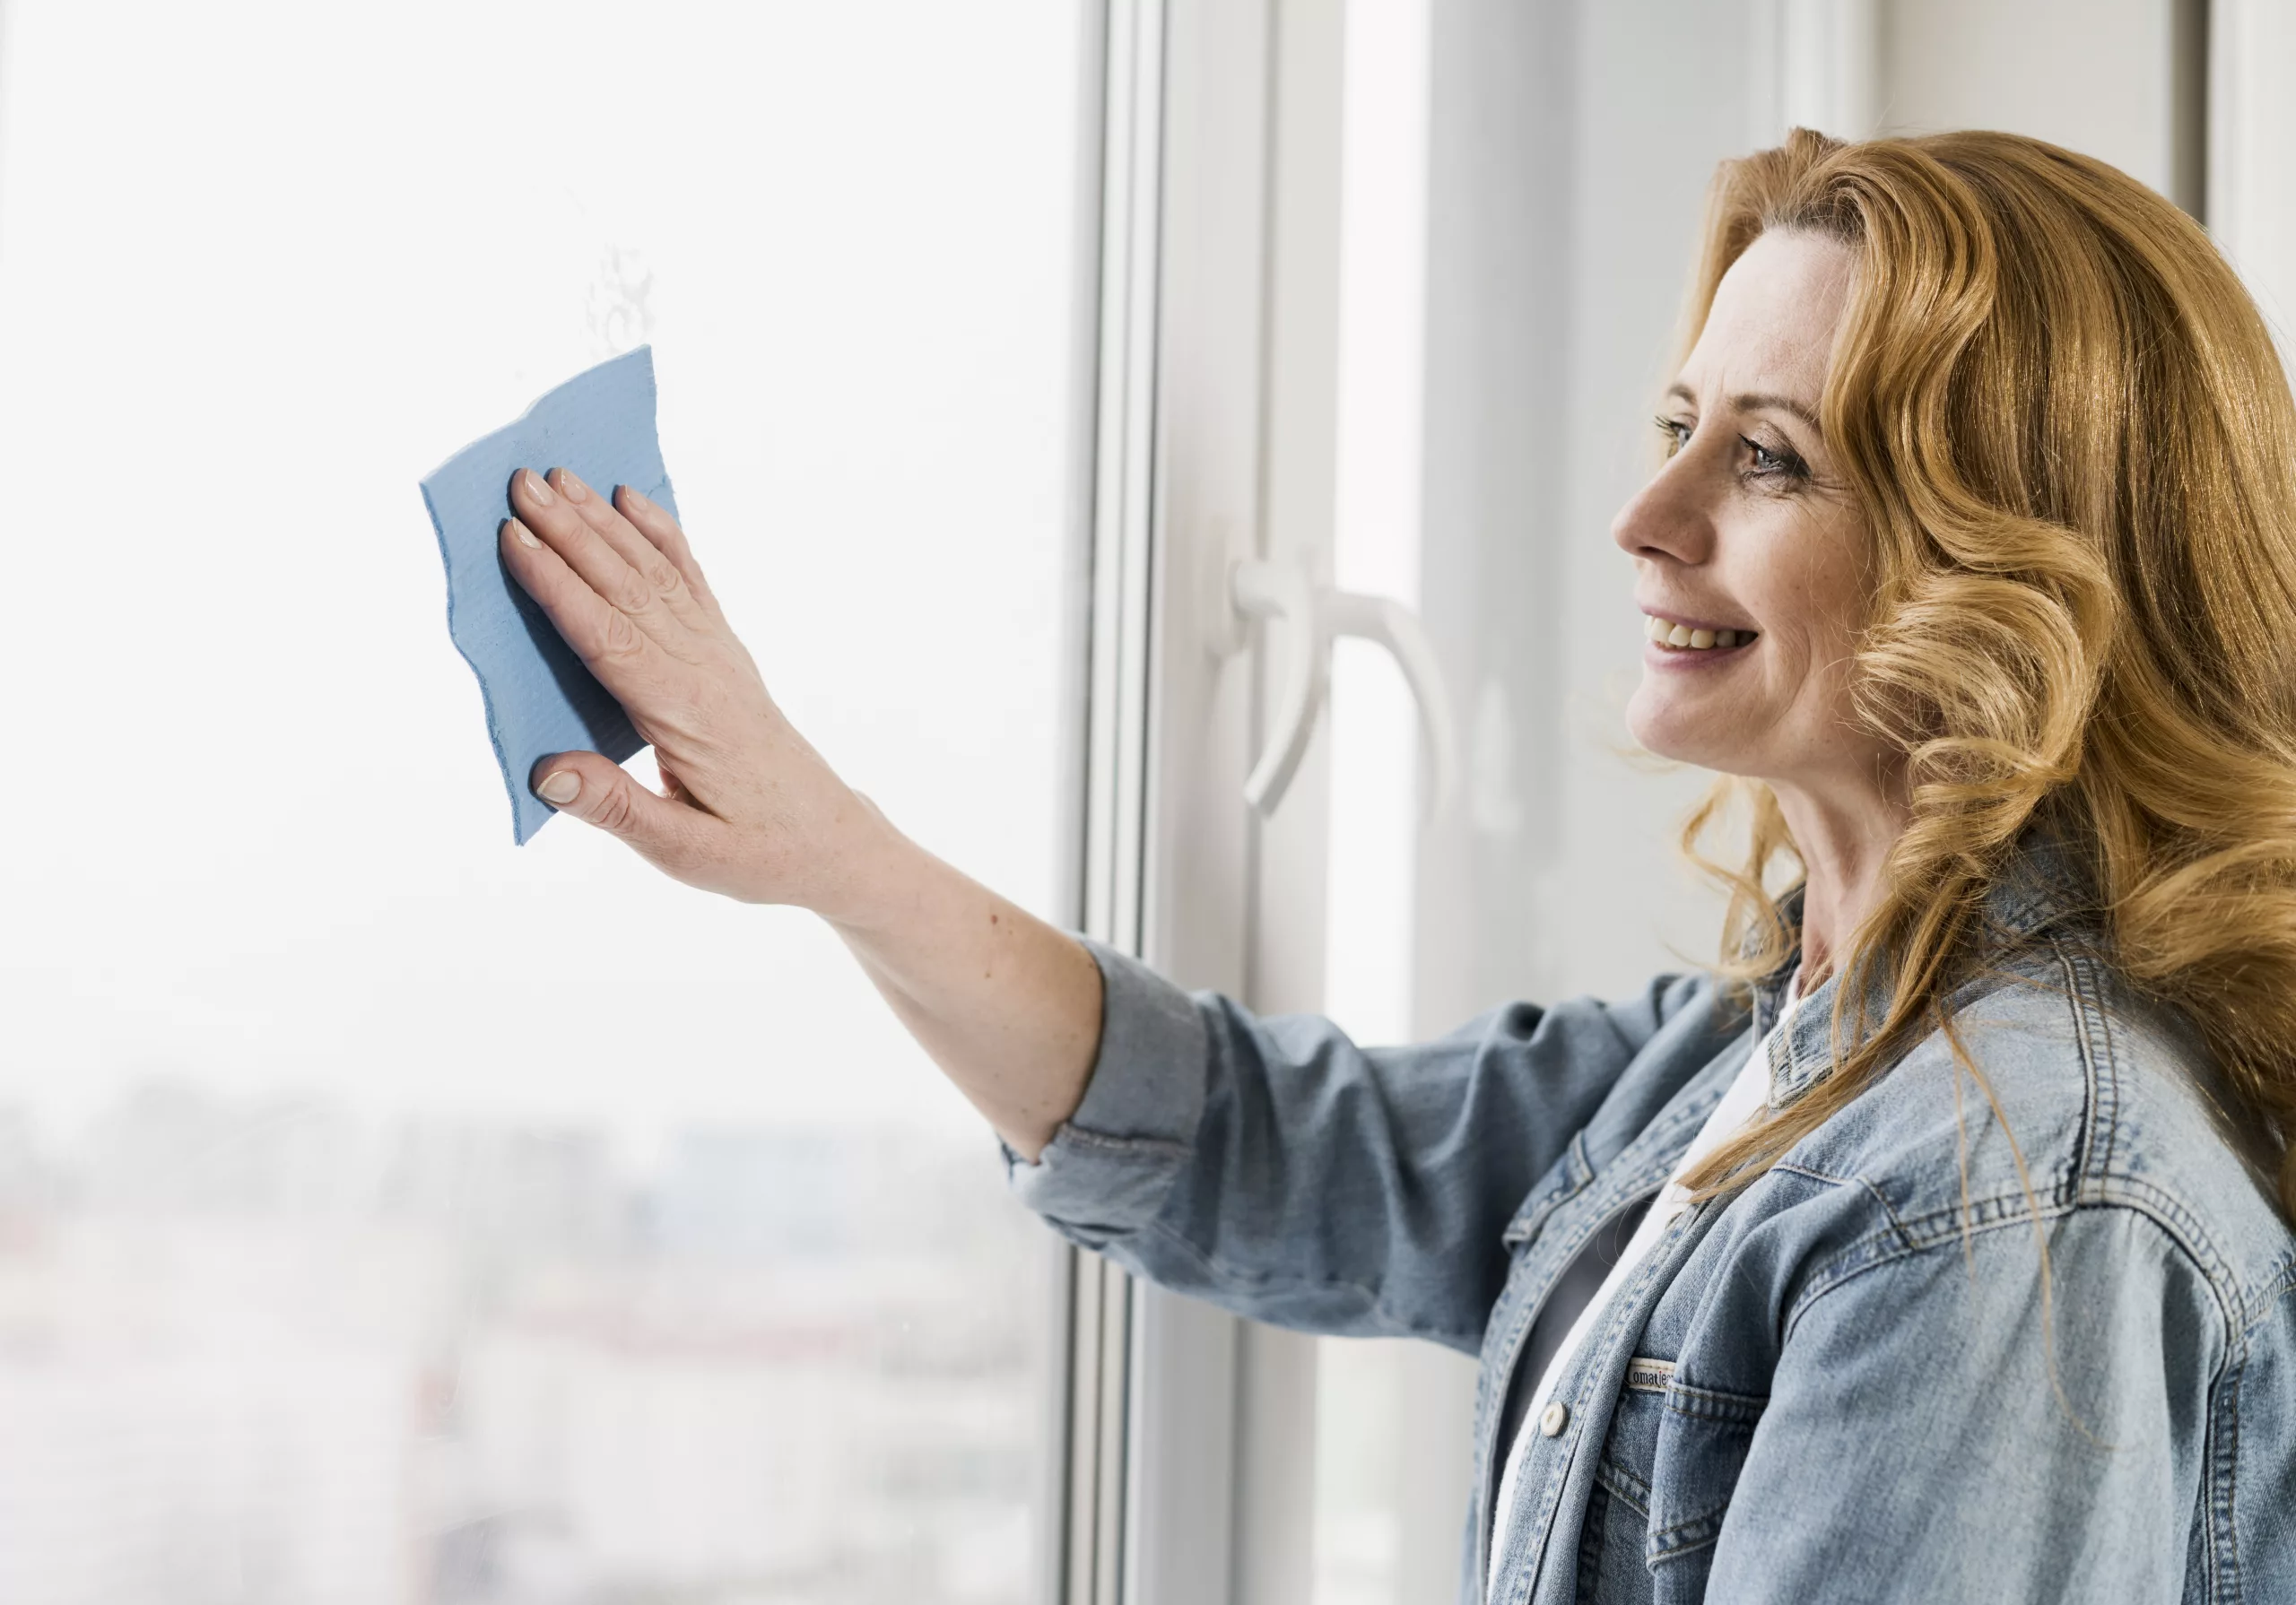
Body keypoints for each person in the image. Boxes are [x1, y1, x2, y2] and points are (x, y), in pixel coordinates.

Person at [491, 128, 2296, 1601]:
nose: (1642, 519)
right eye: (1679, 428)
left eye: (1767, 461)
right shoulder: (1777, 1051)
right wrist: (825, 848)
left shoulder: (2007, 1197)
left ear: (2012, 562)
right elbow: (1267, 1152)